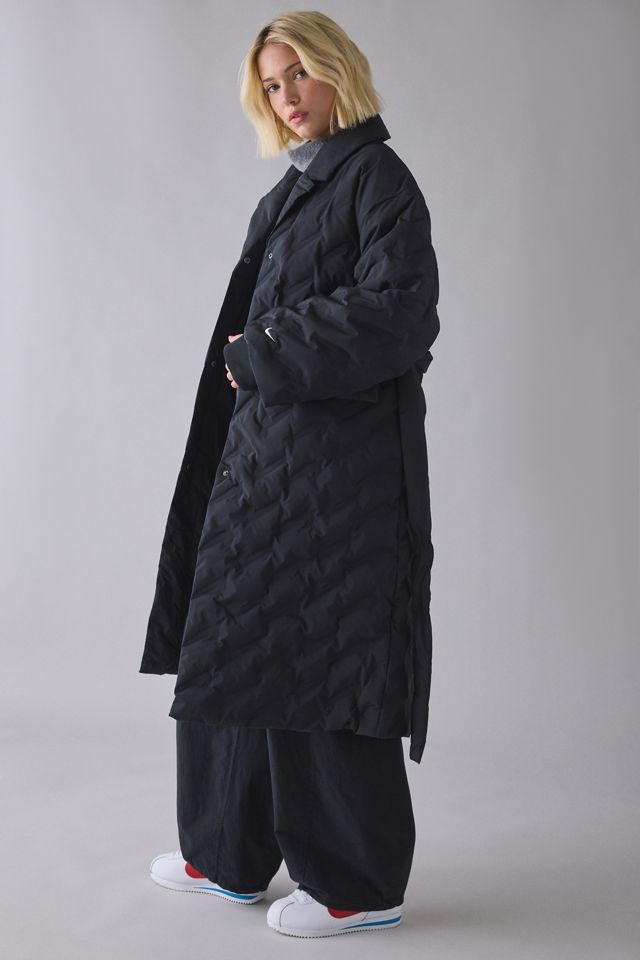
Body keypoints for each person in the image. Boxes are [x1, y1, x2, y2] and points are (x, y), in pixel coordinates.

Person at [141, 10, 440, 938]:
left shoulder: (377, 180)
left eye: (299, 74)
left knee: (324, 659)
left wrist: (264, 347)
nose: (287, 97)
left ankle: (358, 885)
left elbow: (401, 313)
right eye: (271, 86)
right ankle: (224, 854)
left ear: (337, 69)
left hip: (339, 482)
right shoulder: (296, 189)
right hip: (263, 466)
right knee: (229, 641)